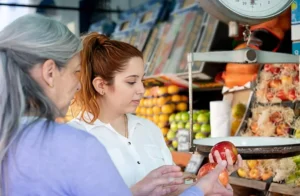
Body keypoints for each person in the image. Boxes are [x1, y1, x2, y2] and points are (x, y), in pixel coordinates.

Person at [0, 14, 200, 196]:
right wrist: (201, 189)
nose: (78, 84)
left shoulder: (10, 138)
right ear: (50, 72)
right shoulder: (76, 142)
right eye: (74, 72)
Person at [68, 32, 240, 194]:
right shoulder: (74, 138)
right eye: (131, 82)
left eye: (142, 80)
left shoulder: (149, 130)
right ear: (101, 85)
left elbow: (175, 186)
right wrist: (134, 192)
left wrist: (209, 178)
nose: (141, 90)